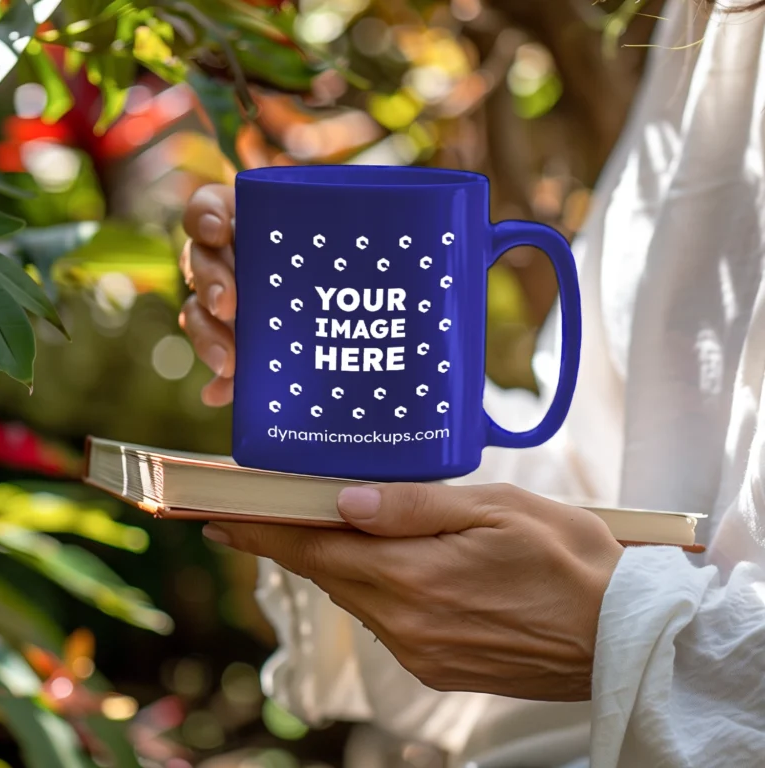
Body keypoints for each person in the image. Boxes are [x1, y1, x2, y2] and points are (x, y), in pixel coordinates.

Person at [178, 1, 765, 765]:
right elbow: (618, 483)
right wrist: (347, 401)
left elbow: (641, 587)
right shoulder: (713, 28)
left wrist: (625, 636)